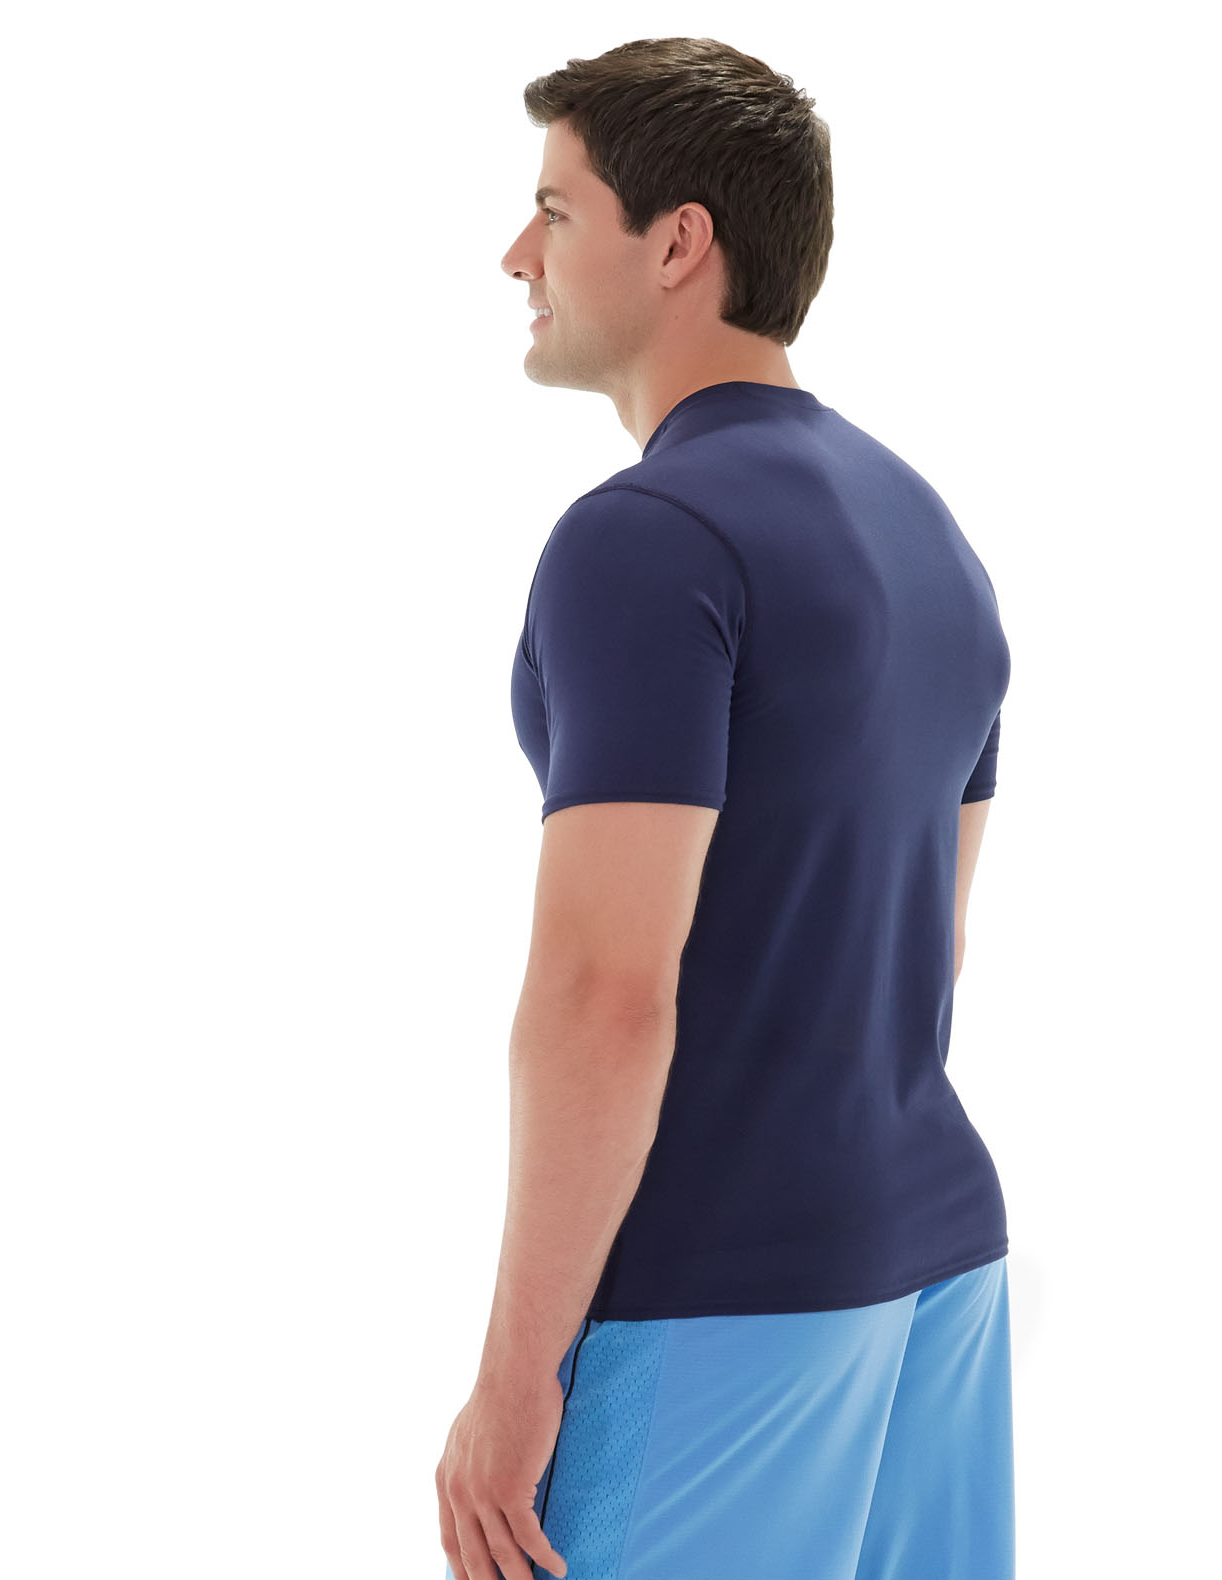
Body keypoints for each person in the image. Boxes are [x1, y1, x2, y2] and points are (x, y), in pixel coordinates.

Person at [436, 35, 1014, 1580]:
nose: (516, 254)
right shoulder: (928, 534)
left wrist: (513, 1381)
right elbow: (928, 942)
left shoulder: (645, 538)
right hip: (936, 1266)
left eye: (555, 210)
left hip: (722, 1298)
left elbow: (605, 993)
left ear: (676, 242)